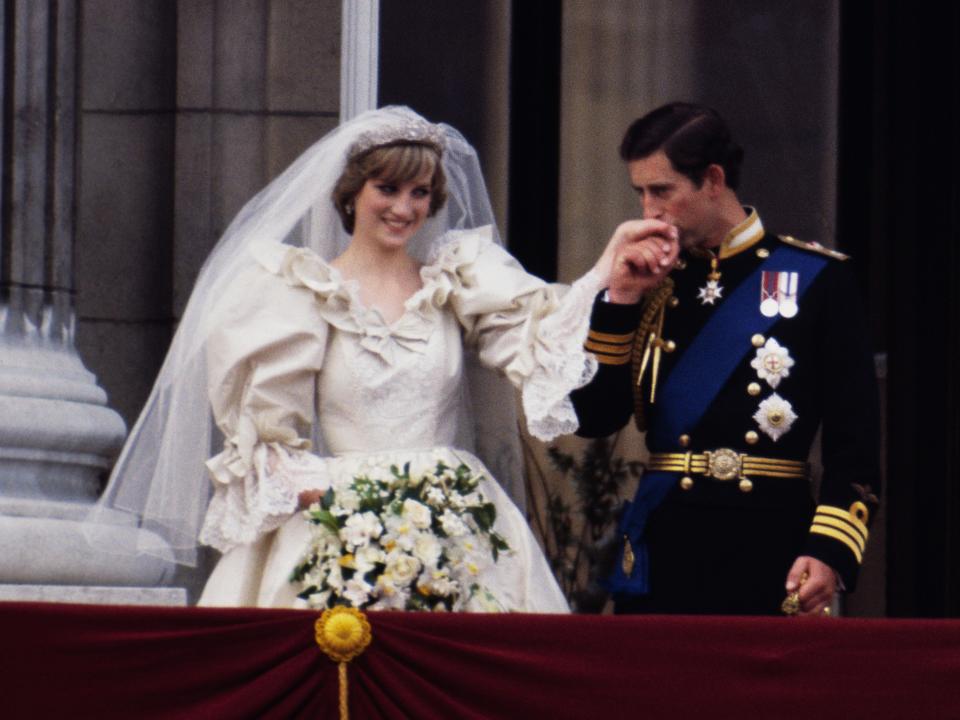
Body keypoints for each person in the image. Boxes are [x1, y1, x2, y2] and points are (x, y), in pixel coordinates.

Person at [88, 106, 668, 612]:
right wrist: (349, 511)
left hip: (456, 518)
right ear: (351, 193)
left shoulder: (457, 280)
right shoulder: (300, 291)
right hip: (339, 522)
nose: (404, 208)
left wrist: (604, 278)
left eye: (419, 193)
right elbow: (269, 440)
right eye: (387, 189)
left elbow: (541, 342)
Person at [571, 102, 881, 616]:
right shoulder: (647, 281)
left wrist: (828, 550)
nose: (648, 211)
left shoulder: (819, 280)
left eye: (662, 191)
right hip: (666, 544)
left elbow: (856, 443)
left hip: (770, 544)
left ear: (713, 179)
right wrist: (619, 301)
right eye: (641, 193)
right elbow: (593, 419)